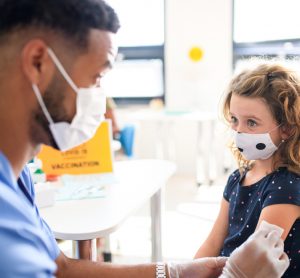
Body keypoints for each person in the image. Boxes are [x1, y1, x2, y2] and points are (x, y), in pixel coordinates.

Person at [0, 0, 289, 277]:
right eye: (97, 77)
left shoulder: (18, 176)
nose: (101, 98)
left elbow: (61, 269)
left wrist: (171, 272)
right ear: (38, 63)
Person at [194, 62, 300, 277]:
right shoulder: (239, 177)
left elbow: (256, 264)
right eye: (234, 119)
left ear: (287, 128)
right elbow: (214, 241)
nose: (239, 131)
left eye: (251, 122)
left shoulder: (285, 188)